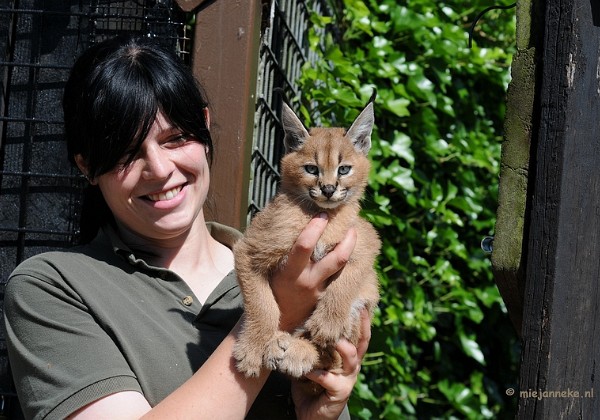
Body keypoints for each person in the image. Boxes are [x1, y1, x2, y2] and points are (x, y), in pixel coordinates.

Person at [2, 35, 371, 419]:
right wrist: (281, 311)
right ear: (86, 165)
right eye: (126, 153)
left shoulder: (303, 267)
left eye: (175, 139)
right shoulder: (52, 288)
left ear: (204, 127)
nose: (160, 170)